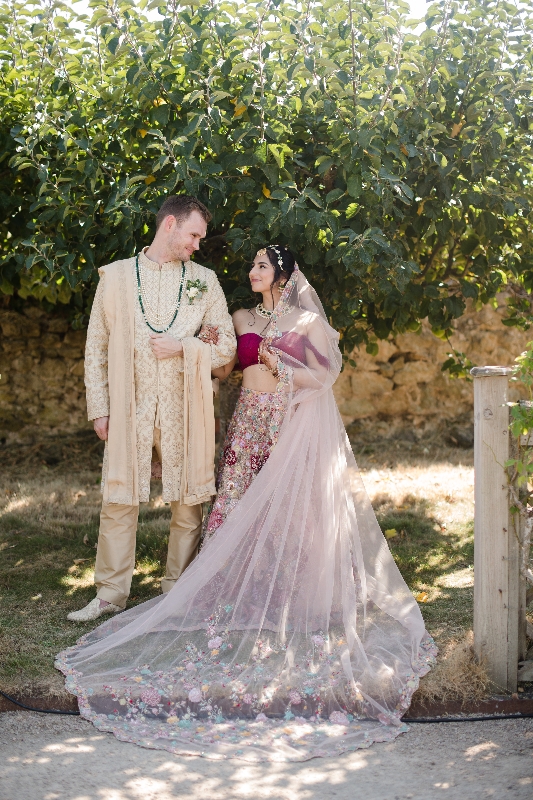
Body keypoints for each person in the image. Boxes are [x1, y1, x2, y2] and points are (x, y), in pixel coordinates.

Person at [57, 245, 436, 762]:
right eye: (253, 266)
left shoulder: (305, 320)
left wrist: (282, 368)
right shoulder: (240, 316)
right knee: (232, 504)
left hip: (283, 420)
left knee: (285, 511)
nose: (252, 272)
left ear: (280, 272)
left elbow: (325, 375)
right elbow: (226, 363)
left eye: (260, 266)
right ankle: (229, 594)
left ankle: (287, 596)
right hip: (246, 417)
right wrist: (203, 346)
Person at [67, 195, 236, 623]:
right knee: (119, 497)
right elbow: (96, 348)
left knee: (188, 499)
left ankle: (177, 592)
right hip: (129, 403)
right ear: (170, 226)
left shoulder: (205, 280)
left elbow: (226, 346)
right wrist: (99, 407)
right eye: (193, 234)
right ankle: (109, 594)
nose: (198, 244)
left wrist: (185, 347)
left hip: (186, 407)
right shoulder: (118, 278)